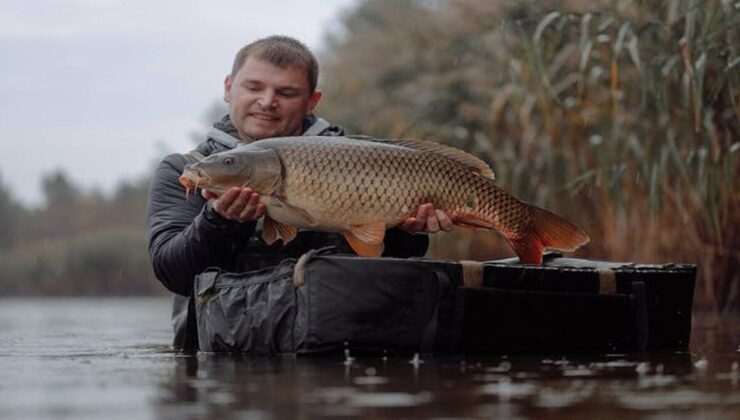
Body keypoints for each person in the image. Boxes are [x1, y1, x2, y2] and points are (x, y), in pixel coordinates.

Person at [147, 35, 452, 348]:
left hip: (339, 347)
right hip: (224, 354)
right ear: (228, 87)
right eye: (254, 87)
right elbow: (175, 274)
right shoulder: (186, 170)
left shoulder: (360, 159)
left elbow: (392, 266)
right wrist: (219, 222)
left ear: (311, 101)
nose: (267, 101)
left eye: (286, 92)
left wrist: (408, 231)